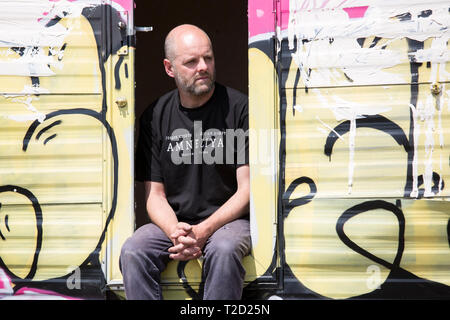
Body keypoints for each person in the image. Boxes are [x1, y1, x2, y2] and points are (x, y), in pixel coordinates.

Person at [119, 24, 251, 300]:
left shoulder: (240, 109)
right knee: (134, 250)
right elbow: (155, 196)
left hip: (229, 222)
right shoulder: (155, 116)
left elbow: (247, 190)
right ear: (170, 68)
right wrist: (176, 233)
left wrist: (204, 230)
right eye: (191, 61)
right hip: (176, 224)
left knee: (225, 248)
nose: (203, 66)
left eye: (208, 58)